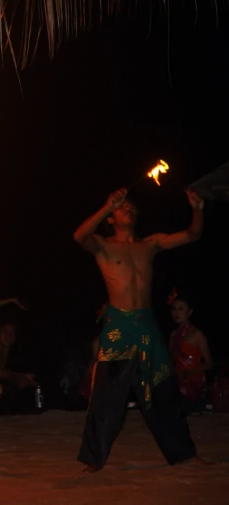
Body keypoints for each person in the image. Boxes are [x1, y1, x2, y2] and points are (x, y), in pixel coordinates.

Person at [73, 187, 207, 471]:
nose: (128, 209)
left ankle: (185, 455)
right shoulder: (103, 245)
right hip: (119, 327)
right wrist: (106, 205)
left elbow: (192, 235)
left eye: (130, 206)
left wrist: (197, 210)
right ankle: (93, 462)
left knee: (164, 391)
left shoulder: (150, 244)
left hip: (146, 325)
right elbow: (79, 237)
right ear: (111, 217)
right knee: (107, 397)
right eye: (121, 207)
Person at [168, 290, 213, 408]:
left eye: (181, 309)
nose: (176, 312)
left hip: (192, 381)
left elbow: (209, 363)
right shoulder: (173, 335)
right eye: (174, 308)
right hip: (177, 379)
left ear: (189, 312)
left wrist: (187, 373)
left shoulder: (196, 334)